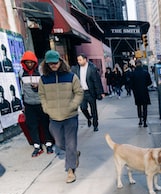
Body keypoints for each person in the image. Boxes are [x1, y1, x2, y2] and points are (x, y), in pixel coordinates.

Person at [39, 50, 83, 183]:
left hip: (70, 117)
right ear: (46, 64)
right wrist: (46, 108)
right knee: (59, 143)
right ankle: (74, 153)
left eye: (55, 62)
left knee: (70, 144)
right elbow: (42, 95)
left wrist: (72, 106)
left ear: (60, 61)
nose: (53, 65)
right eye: (50, 63)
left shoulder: (71, 76)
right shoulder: (44, 79)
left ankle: (70, 171)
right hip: (54, 117)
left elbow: (79, 93)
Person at [19, 50, 54, 157]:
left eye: (31, 62)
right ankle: (37, 145)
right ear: (24, 63)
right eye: (27, 62)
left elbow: (47, 86)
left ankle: (48, 143)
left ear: (35, 62)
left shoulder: (41, 72)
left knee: (45, 123)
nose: (29, 64)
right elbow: (21, 89)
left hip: (40, 102)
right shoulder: (21, 73)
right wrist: (23, 104)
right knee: (31, 125)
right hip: (29, 104)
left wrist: (39, 86)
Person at [71, 53, 104, 132]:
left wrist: (100, 92)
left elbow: (97, 81)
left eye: (80, 60)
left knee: (94, 109)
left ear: (85, 59)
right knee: (83, 108)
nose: (79, 61)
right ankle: (89, 118)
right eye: (78, 60)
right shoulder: (75, 69)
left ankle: (95, 125)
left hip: (90, 92)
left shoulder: (92, 68)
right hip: (81, 92)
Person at [129, 59, 152, 127]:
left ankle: (140, 120)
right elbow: (149, 82)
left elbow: (131, 84)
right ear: (141, 64)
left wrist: (134, 89)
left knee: (139, 106)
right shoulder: (145, 72)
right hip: (144, 91)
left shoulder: (133, 73)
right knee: (145, 107)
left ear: (135, 64)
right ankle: (145, 122)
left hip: (137, 92)